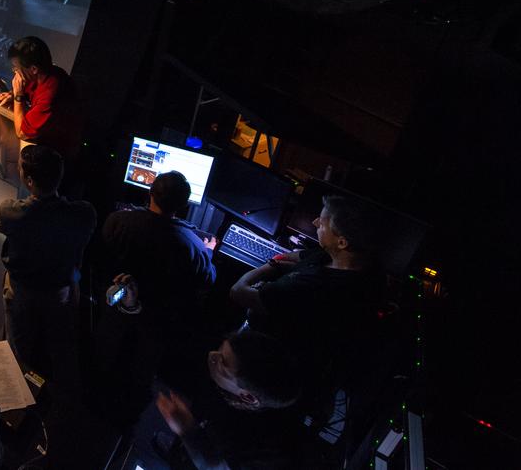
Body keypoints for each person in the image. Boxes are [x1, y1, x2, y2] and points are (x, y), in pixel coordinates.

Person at [229, 195, 383, 367]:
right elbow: (295, 257)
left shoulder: (312, 288)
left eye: (323, 223)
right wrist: (282, 266)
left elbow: (237, 291)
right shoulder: (341, 259)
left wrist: (271, 265)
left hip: (266, 354)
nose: (315, 222)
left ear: (341, 242)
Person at [101, 171, 217, 389]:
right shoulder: (193, 245)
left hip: (114, 306)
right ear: (183, 205)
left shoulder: (117, 220)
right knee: (140, 370)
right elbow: (208, 280)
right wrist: (208, 251)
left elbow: (104, 252)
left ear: (150, 193)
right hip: (156, 318)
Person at [0, 144, 96, 385]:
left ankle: (17, 394)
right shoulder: (84, 214)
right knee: (57, 348)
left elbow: (2, 224)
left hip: (22, 292)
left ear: (29, 180)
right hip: (61, 293)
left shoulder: (11, 211)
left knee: (19, 349)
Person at [150, 320, 305, 470]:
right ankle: (178, 452)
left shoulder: (265, 449)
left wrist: (189, 432)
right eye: (220, 349)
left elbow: (220, 466)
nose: (212, 356)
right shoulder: (239, 385)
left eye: (222, 362)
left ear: (248, 397)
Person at [0, 36, 83, 185]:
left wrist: (18, 96)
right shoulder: (46, 73)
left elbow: (22, 132)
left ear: (34, 69)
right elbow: (30, 89)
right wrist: (12, 94)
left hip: (55, 160)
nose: (14, 73)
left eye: (16, 69)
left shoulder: (50, 95)